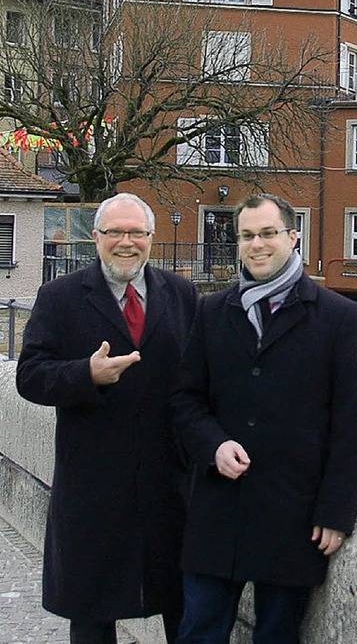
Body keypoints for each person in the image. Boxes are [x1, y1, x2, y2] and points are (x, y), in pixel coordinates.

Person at [171, 193, 357, 644]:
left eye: (267, 234)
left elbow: (354, 423)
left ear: (292, 236)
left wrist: (337, 512)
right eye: (246, 236)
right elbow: (186, 400)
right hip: (217, 511)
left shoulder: (340, 318)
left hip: (293, 515)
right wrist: (213, 445)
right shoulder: (212, 311)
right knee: (198, 631)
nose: (256, 245)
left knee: (276, 636)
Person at [16, 193, 199, 644]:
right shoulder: (58, 297)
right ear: (95, 236)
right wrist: (86, 374)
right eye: (115, 232)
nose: (126, 242)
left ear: (151, 239)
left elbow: (203, 379)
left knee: (182, 607)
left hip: (168, 483)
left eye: (136, 232)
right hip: (92, 485)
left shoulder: (181, 295)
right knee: (92, 613)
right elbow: (29, 377)